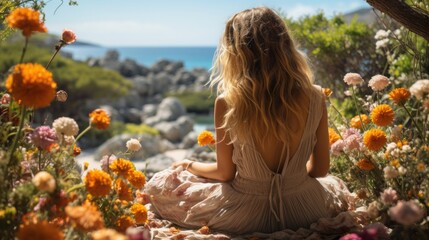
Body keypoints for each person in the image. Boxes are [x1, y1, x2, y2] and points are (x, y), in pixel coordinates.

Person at [145, 7, 356, 236]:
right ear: (284, 45)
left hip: (245, 215)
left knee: (164, 181)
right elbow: (320, 170)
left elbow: (225, 174)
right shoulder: (315, 96)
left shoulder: (227, 102)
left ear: (236, 52)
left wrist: (187, 164)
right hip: (306, 209)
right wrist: (290, 179)